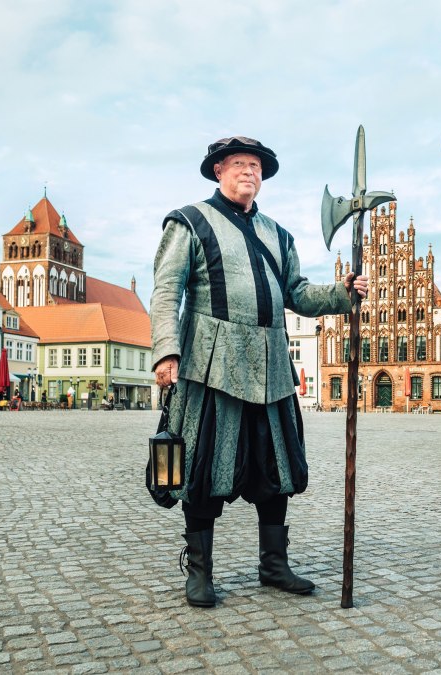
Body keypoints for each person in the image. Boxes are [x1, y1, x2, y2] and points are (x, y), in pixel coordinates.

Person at [150, 135, 368, 608]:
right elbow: (167, 290)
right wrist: (166, 352)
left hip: (270, 366)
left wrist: (342, 291)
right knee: (203, 468)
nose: (250, 173)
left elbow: (299, 293)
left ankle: (274, 564)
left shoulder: (278, 234)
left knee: (276, 470)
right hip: (212, 365)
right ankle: (201, 571)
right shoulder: (189, 222)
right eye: (239, 165)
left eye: (256, 167)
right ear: (218, 171)